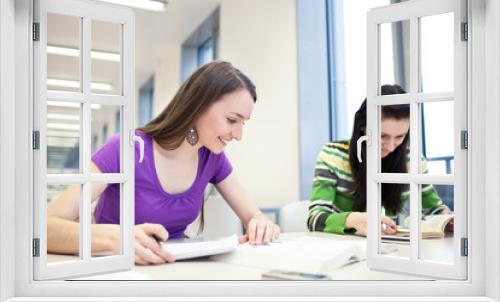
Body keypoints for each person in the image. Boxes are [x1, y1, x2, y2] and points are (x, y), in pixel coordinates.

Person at [47, 60, 280, 265]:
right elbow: (45, 227)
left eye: (243, 123)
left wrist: (262, 225)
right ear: (198, 106)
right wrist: (116, 237)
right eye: (232, 120)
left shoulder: (213, 157)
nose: (238, 135)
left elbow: (254, 217)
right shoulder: (126, 149)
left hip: (171, 272)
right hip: (116, 273)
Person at [307, 84, 451, 236]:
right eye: (383, 136)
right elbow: (314, 219)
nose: (390, 147)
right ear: (363, 126)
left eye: (400, 137)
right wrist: (351, 219)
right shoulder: (333, 156)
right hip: (341, 248)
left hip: (389, 246)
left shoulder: (412, 159)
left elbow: (434, 208)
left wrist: (447, 219)